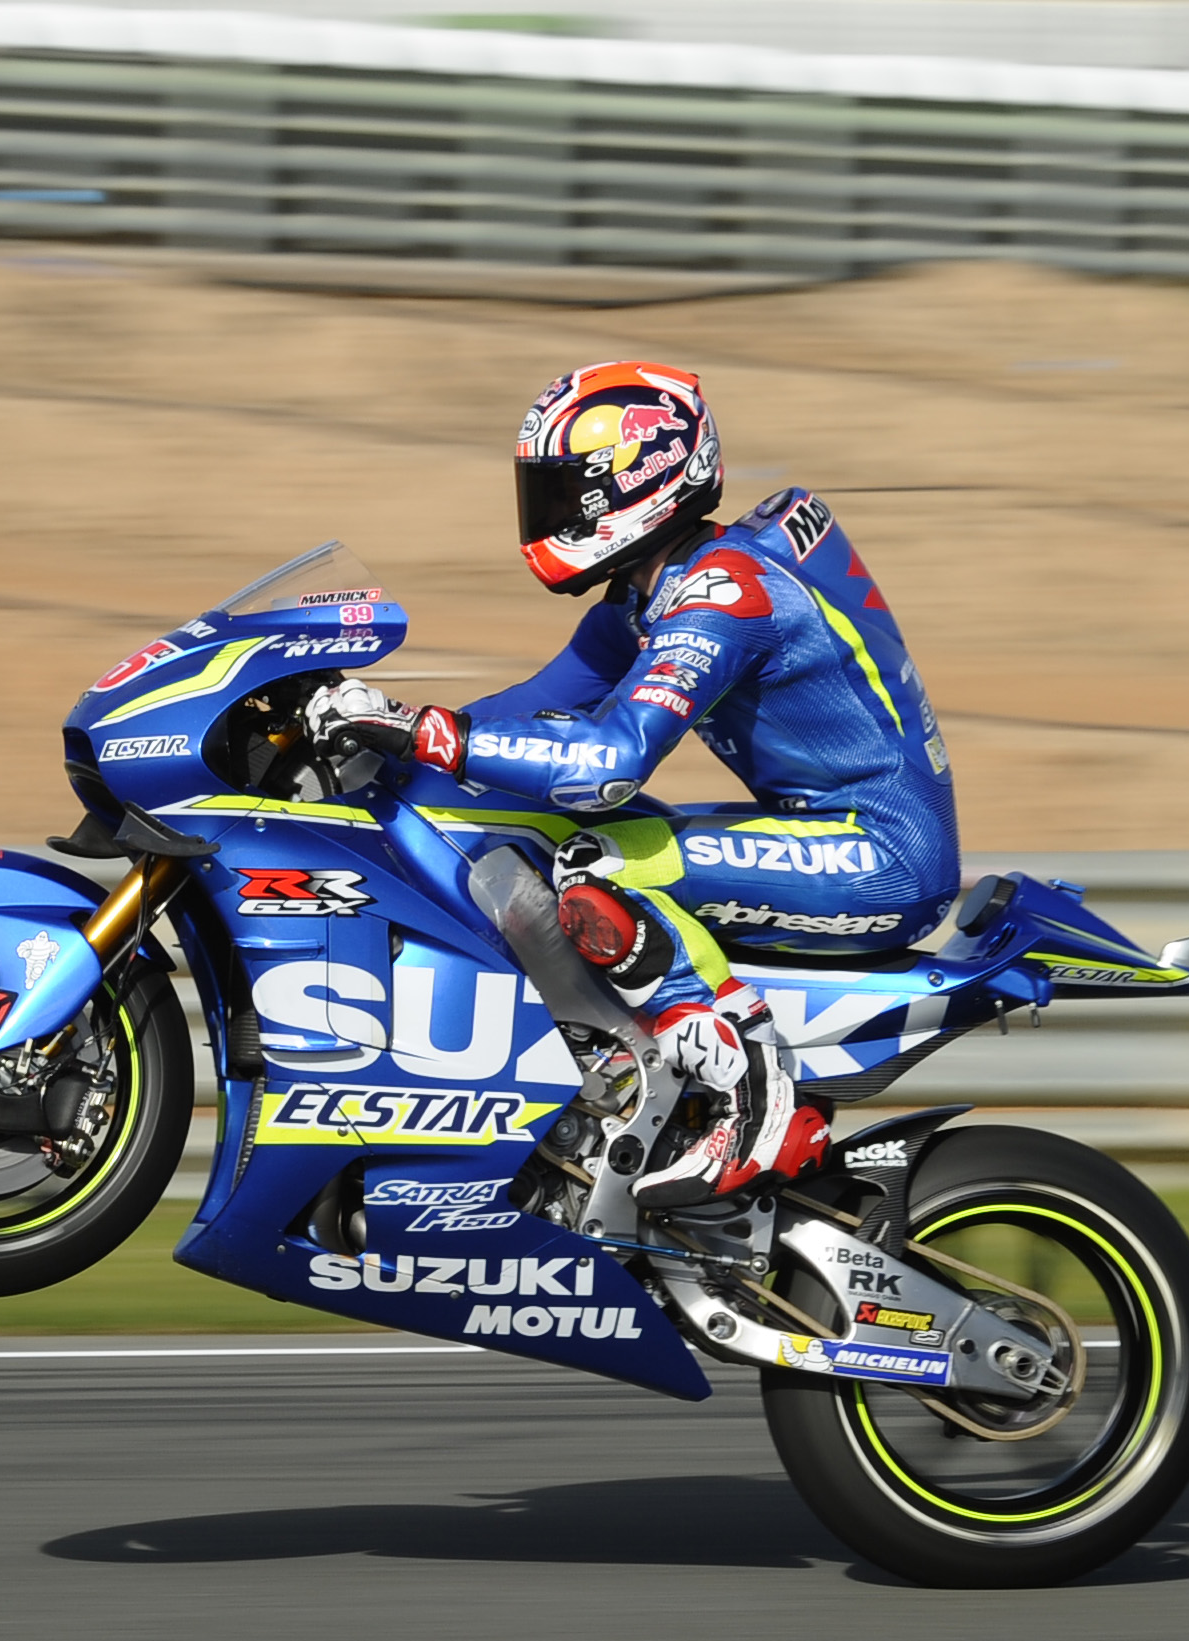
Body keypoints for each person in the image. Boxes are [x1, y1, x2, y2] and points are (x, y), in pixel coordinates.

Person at [306, 361, 961, 1210]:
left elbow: (607, 766)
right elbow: (527, 711)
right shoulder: (650, 598)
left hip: (881, 855)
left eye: (562, 492)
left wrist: (421, 729)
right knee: (533, 831)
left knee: (597, 861)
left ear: (634, 483)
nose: (543, 514)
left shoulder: (726, 592)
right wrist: (381, 748)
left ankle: (755, 1093)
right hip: (821, 831)